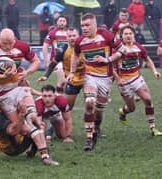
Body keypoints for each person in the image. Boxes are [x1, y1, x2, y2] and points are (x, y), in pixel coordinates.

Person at [0, 29, 54, 162]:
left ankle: (45, 155)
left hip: (20, 88)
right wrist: (2, 76)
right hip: (3, 95)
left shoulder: (22, 46)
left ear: (15, 39)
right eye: (4, 43)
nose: (8, 47)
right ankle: (34, 146)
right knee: (24, 129)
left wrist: (28, 72)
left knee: (32, 118)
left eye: (10, 43)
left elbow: (36, 61)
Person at [69, 13, 123, 151]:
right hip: (90, 76)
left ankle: (96, 128)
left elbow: (122, 50)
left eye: (87, 25)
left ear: (95, 25)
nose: (85, 28)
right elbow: (75, 54)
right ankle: (89, 138)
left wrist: (108, 60)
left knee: (99, 110)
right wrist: (71, 72)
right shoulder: (80, 41)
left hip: (106, 78)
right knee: (89, 102)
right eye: (82, 26)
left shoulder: (106, 35)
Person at [95, 25, 162, 136]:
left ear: (133, 35)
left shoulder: (139, 47)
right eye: (125, 34)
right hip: (124, 82)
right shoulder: (117, 49)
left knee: (148, 100)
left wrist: (154, 71)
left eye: (130, 33)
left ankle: (153, 128)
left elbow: (147, 59)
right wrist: (117, 79)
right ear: (122, 36)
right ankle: (123, 112)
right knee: (131, 108)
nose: (128, 36)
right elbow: (110, 65)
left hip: (137, 78)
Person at [37, 28, 86, 139]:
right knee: (66, 108)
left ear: (78, 36)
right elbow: (52, 64)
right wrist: (46, 75)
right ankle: (51, 129)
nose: (72, 38)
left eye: (74, 35)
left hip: (87, 79)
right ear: (66, 38)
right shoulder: (63, 50)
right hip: (72, 80)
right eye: (70, 36)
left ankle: (95, 130)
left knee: (90, 103)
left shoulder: (86, 47)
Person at [42, 15, 68, 93]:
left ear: (66, 23)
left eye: (63, 21)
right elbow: (45, 46)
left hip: (67, 61)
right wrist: (46, 61)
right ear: (56, 22)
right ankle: (57, 96)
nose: (62, 23)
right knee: (63, 80)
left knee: (62, 82)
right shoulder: (52, 33)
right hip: (57, 61)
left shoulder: (69, 33)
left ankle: (57, 97)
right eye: (60, 21)